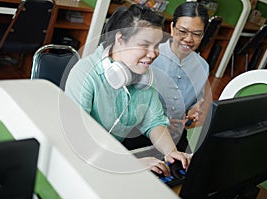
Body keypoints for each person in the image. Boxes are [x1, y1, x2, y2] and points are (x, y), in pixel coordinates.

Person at [65, 4, 191, 176]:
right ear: (120, 39)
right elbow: (77, 139)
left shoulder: (144, 76)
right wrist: (129, 162)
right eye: (144, 45)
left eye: (156, 46)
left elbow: (154, 122)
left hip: (115, 155)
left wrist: (171, 152)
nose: (153, 54)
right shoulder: (85, 73)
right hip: (83, 160)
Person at [151, 2, 210, 151]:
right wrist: (161, 121)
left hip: (174, 133)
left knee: (190, 169)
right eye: (182, 31)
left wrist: (191, 115)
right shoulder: (151, 55)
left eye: (196, 34)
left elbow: (189, 117)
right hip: (143, 129)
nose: (189, 39)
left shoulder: (203, 67)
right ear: (171, 28)